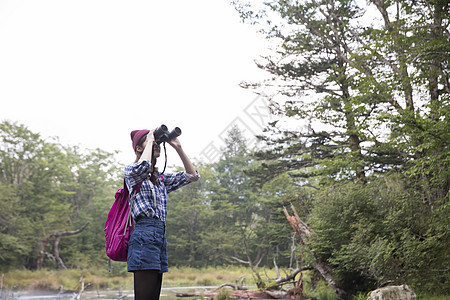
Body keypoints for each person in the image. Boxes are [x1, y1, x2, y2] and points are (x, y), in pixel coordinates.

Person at [124, 128, 200, 299]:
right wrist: (150, 139)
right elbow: (142, 167)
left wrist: (178, 147)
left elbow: (192, 176)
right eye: (151, 141)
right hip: (144, 235)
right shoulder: (132, 172)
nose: (157, 144)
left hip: (160, 236)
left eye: (158, 142)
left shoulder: (161, 180)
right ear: (138, 148)